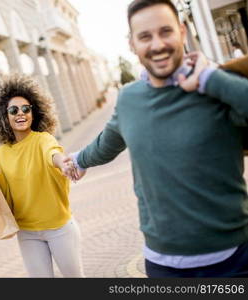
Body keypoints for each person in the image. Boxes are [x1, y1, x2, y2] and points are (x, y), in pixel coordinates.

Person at [67, 0, 248, 277]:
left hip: (233, 261)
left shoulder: (217, 86)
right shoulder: (128, 99)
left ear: (182, 33)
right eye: (145, 36)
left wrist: (210, 78)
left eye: (165, 31)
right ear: (132, 45)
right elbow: (107, 143)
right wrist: (78, 159)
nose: (157, 44)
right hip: (162, 266)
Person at [0, 74, 84, 278]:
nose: (20, 113)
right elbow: (4, 198)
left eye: (26, 108)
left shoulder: (43, 139)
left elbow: (53, 154)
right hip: (27, 233)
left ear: (34, 112)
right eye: (13, 110)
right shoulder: (1, 154)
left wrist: (63, 163)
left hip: (59, 228)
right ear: (5, 117)